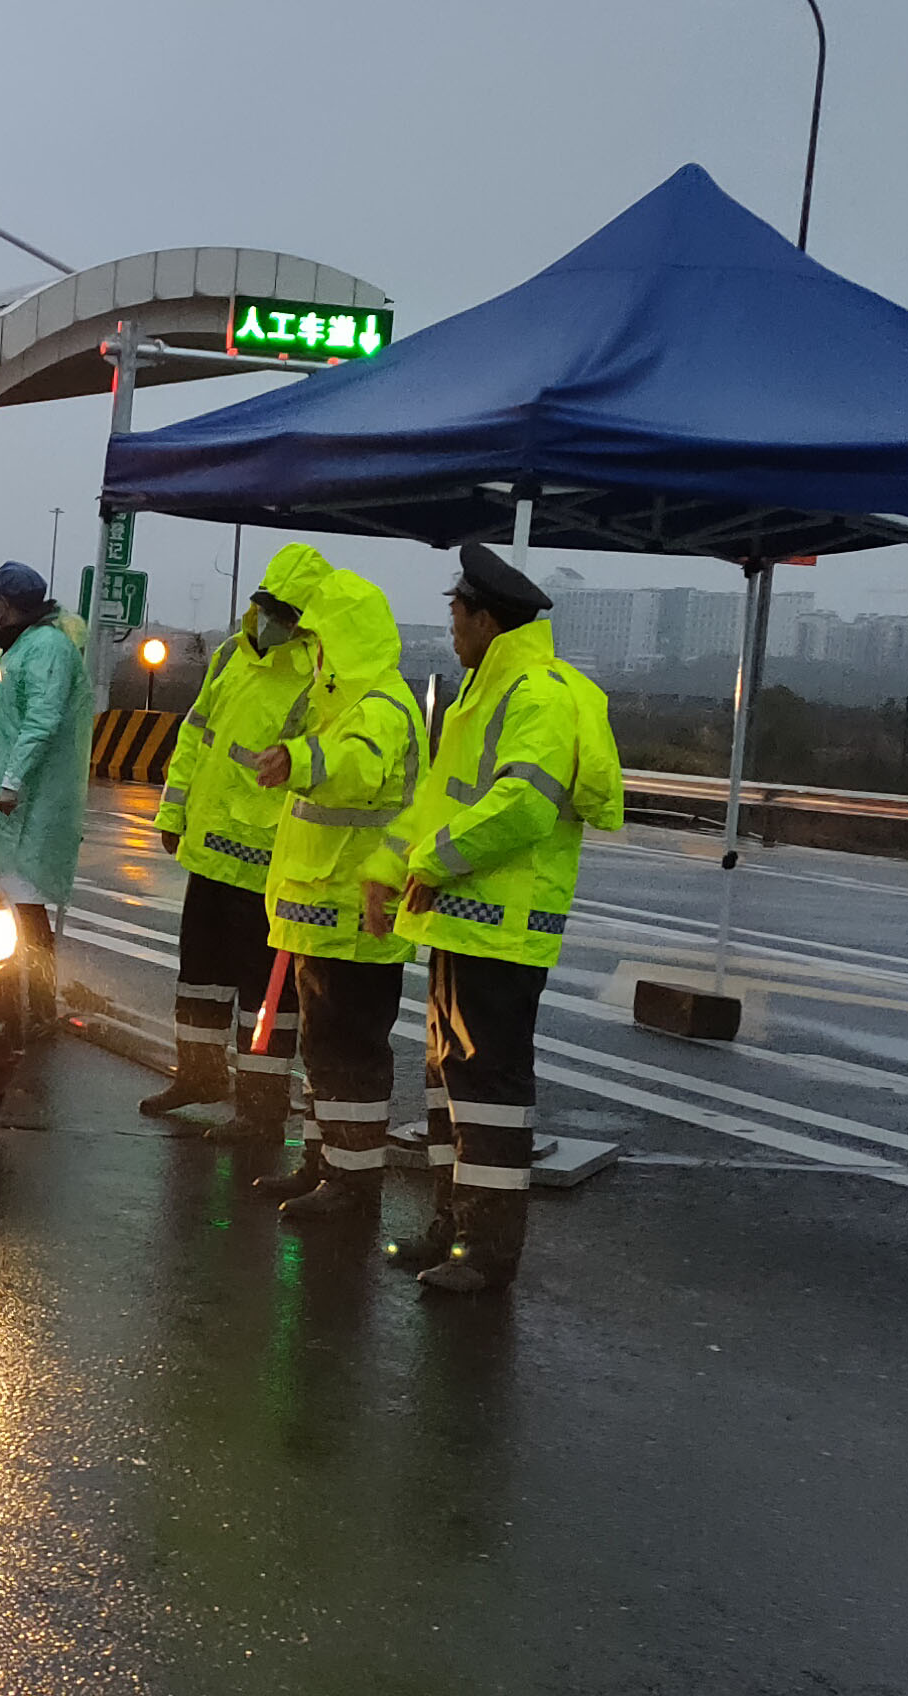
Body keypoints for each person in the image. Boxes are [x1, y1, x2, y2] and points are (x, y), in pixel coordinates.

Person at [391, 543, 624, 1295]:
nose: (450, 627)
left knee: (489, 1094)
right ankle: (451, 1227)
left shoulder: (536, 695)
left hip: (500, 928)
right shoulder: (484, 691)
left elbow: (523, 806)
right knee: (451, 1087)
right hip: (462, 925)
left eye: (457, 613)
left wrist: (432, 862)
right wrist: (400, 871)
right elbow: (444, 798)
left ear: (487, 619)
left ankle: (487, 1252)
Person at [240, 560, 424, 1221]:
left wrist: (300, 760)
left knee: (350, 1056)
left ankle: (352, 1185)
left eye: (317, 639)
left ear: (342, 638)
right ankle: (325, 1167)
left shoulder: (378, 709)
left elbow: (357, 770)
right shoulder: (344, 707)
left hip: (354, 919)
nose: (310, 651)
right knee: (325, 1054)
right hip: (329, 917)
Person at [140, 544, 332, 1138]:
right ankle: (199, 1075)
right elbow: (195, 736)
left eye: (286, 612)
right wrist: (173, 814)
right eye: (269, 606)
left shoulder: (319, 676)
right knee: (200, 974)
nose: (273, 620)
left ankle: (262, 1105)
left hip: (268, 861)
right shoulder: (231, 655)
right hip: (210, 850)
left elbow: (319, 765)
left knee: (265, 993)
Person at [0, 561, 96, 1035]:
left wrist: (12, 782)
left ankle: (37, 1007)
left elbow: (41, 723)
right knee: (4, 909)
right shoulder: (21, 647)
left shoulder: (46, 649)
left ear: (5, 603)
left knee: (26, 910)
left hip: (26, 808)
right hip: (4, 809)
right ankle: (10, 1002)